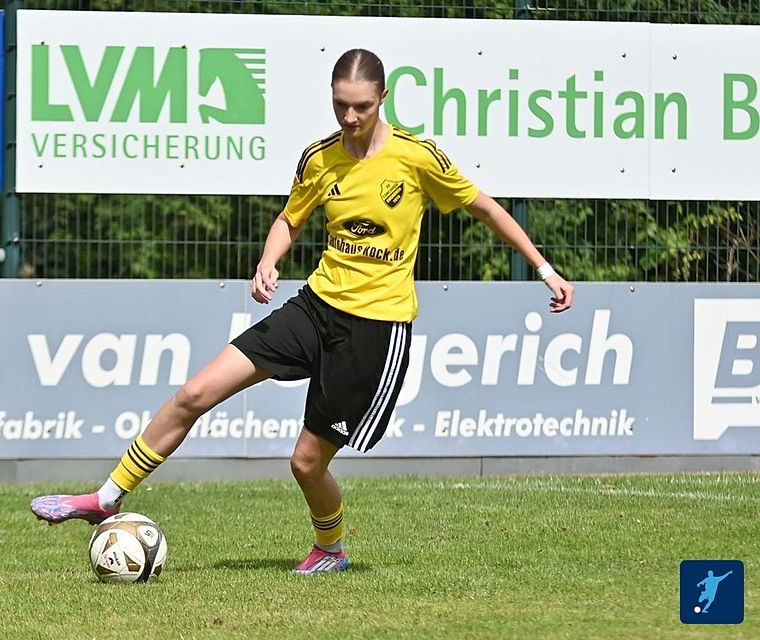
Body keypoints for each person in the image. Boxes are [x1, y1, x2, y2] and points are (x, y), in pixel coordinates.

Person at [31, 48, 574, 575]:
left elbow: (484, 207)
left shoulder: (416, 157)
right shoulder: (319, 158)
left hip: (375, 328)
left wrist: (544, 268)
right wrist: (269, 261)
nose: (350, 116)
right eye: (340, 104)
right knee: (195, 393)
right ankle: (107, 497)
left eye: (361, 106)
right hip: (315, 306)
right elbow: (290, 219)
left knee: (306, 463)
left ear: (383, 97)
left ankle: (330, 548)